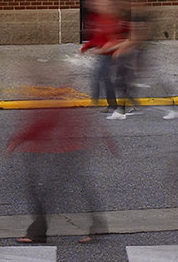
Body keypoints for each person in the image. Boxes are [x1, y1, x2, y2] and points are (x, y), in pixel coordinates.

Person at [9, 78, 111, 244]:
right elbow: (94, 121)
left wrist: (18, 140)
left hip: (67, 149)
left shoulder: (57, 99)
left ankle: (38, 232)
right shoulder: (70, 96)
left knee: (48, 190)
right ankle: (97, 226)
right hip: (72, 148)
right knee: (78, 186)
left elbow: (44, 123)